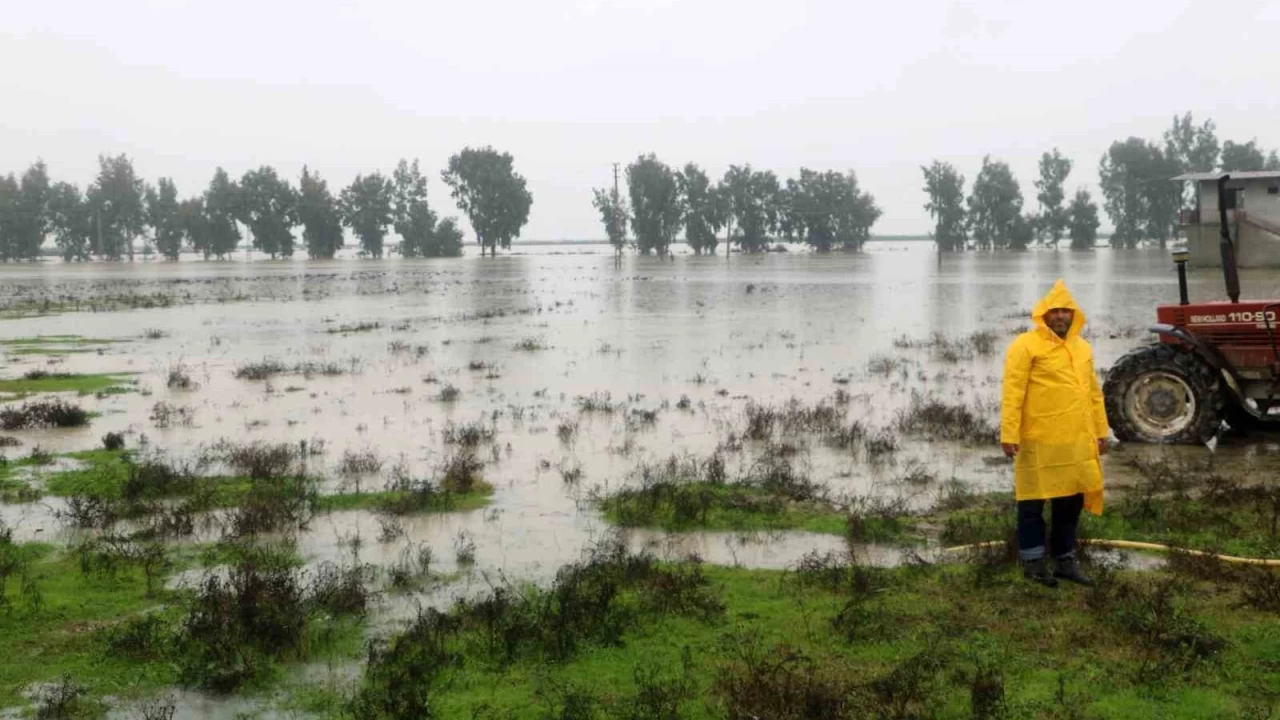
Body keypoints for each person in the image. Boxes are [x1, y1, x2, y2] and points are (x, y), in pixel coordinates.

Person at [1000, 279, 1107, 587]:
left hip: (1076, 440)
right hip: (1038, 440)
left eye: (1066, 311)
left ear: (1074, 315)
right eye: (1055, 311)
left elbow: (1093, 393)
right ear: (1043, 315)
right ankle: (1033, 562)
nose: (1060, 316)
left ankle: (1065, 560)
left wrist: (1101, 431)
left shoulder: (1082, 348)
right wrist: (1010, 434)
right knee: (1032, 501)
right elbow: (1013, 392)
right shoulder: (1025, 346)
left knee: (1070, 501)